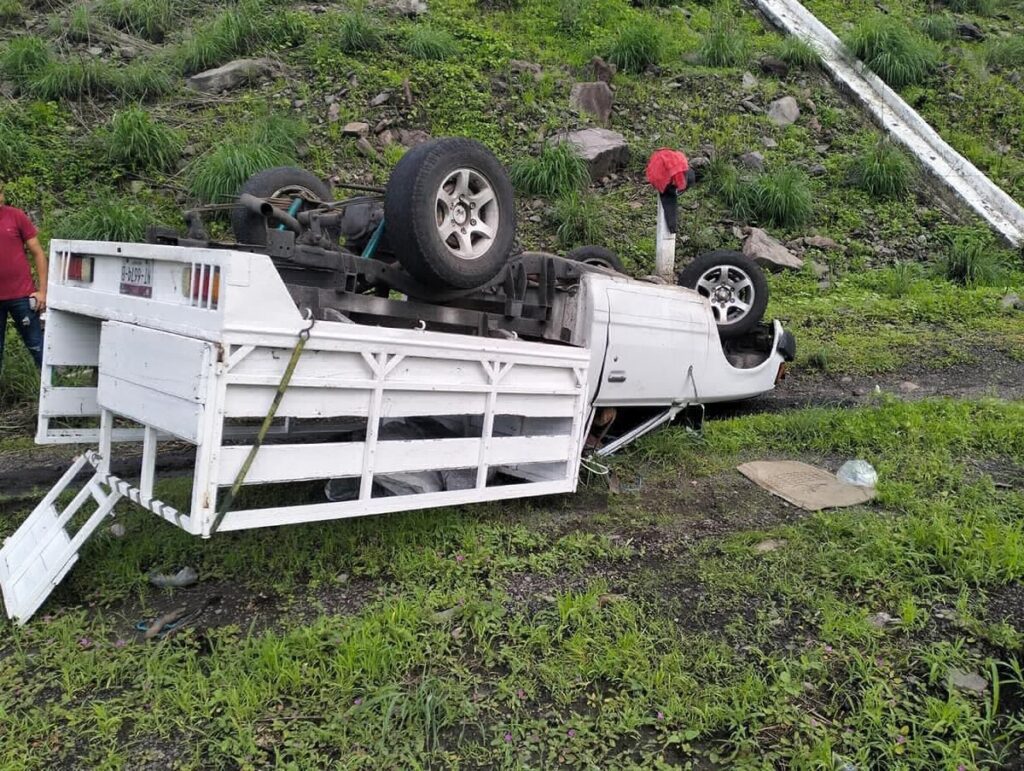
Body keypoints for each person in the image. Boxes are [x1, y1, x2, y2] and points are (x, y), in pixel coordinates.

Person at [0, 181, 47, 370]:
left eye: (0, 192)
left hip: (21, 296)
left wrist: (42, 291)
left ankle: (53, 392)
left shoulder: (16, 216)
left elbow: (38, 253)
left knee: (38, 348)